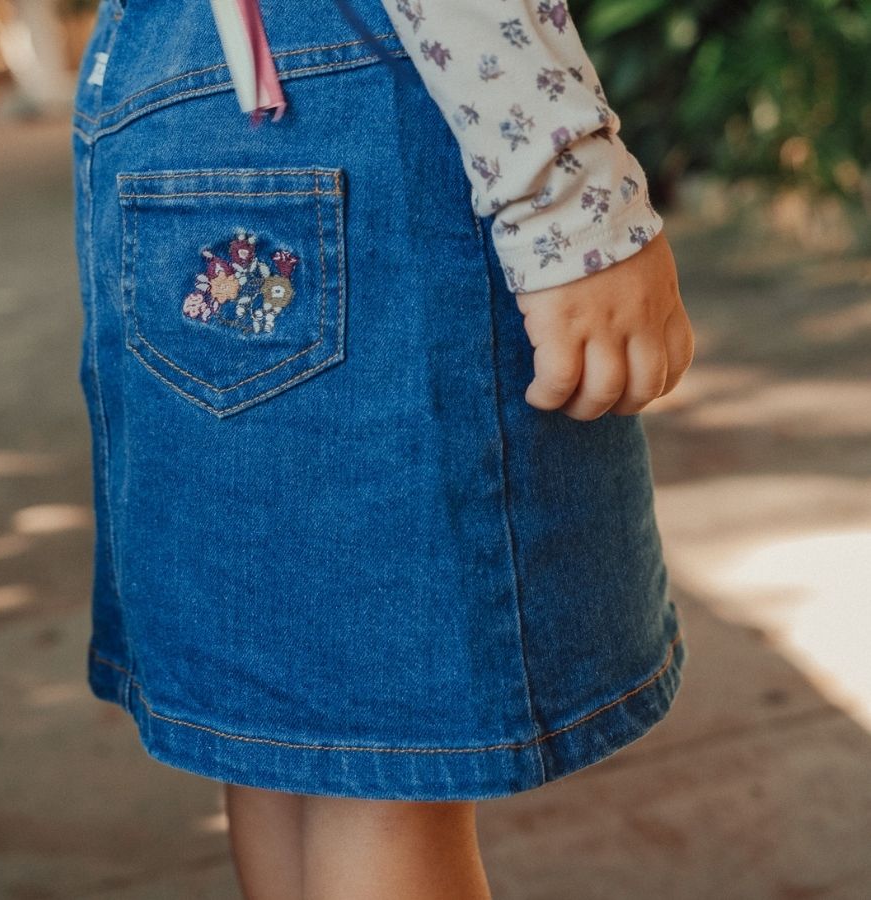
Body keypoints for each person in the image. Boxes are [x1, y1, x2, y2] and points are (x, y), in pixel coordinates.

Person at [70, 1, 695, 897]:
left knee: (292, 740)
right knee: (382, 767)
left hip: (167, 81)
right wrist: (569, 191)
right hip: (339, 84)